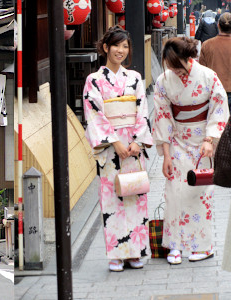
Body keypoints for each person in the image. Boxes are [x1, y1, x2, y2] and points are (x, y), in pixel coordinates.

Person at [153, 37, 229, 265]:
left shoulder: (207, 76)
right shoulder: (163, 80)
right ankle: (174, 245)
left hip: (202, 144)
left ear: (189, 59)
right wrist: (166, 154)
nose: (174, 70)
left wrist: (210, 139)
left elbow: (219, 107)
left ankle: (203, 246)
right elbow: (162, 116)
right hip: (177, 141)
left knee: (200, 196)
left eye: (177, 65)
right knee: (174, 194)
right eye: (169, 65)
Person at [83, 26, 153, 272]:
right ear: (105, 48)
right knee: (112, 201)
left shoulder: (134, 78)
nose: (121, 51)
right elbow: (94, 114)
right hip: (111, 148)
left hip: (133, 147)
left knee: (136, 197)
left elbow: (143, 111)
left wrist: (136, 141)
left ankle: (135, 252)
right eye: (117, 46)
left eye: (125, 46)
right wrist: (115, 141)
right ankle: (115, 254)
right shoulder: (94, 80)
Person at [199, 12, 231, 113]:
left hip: (214, 90)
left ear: (218, 25)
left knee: (217, 124)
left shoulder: (207, 45)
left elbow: (201, 71)